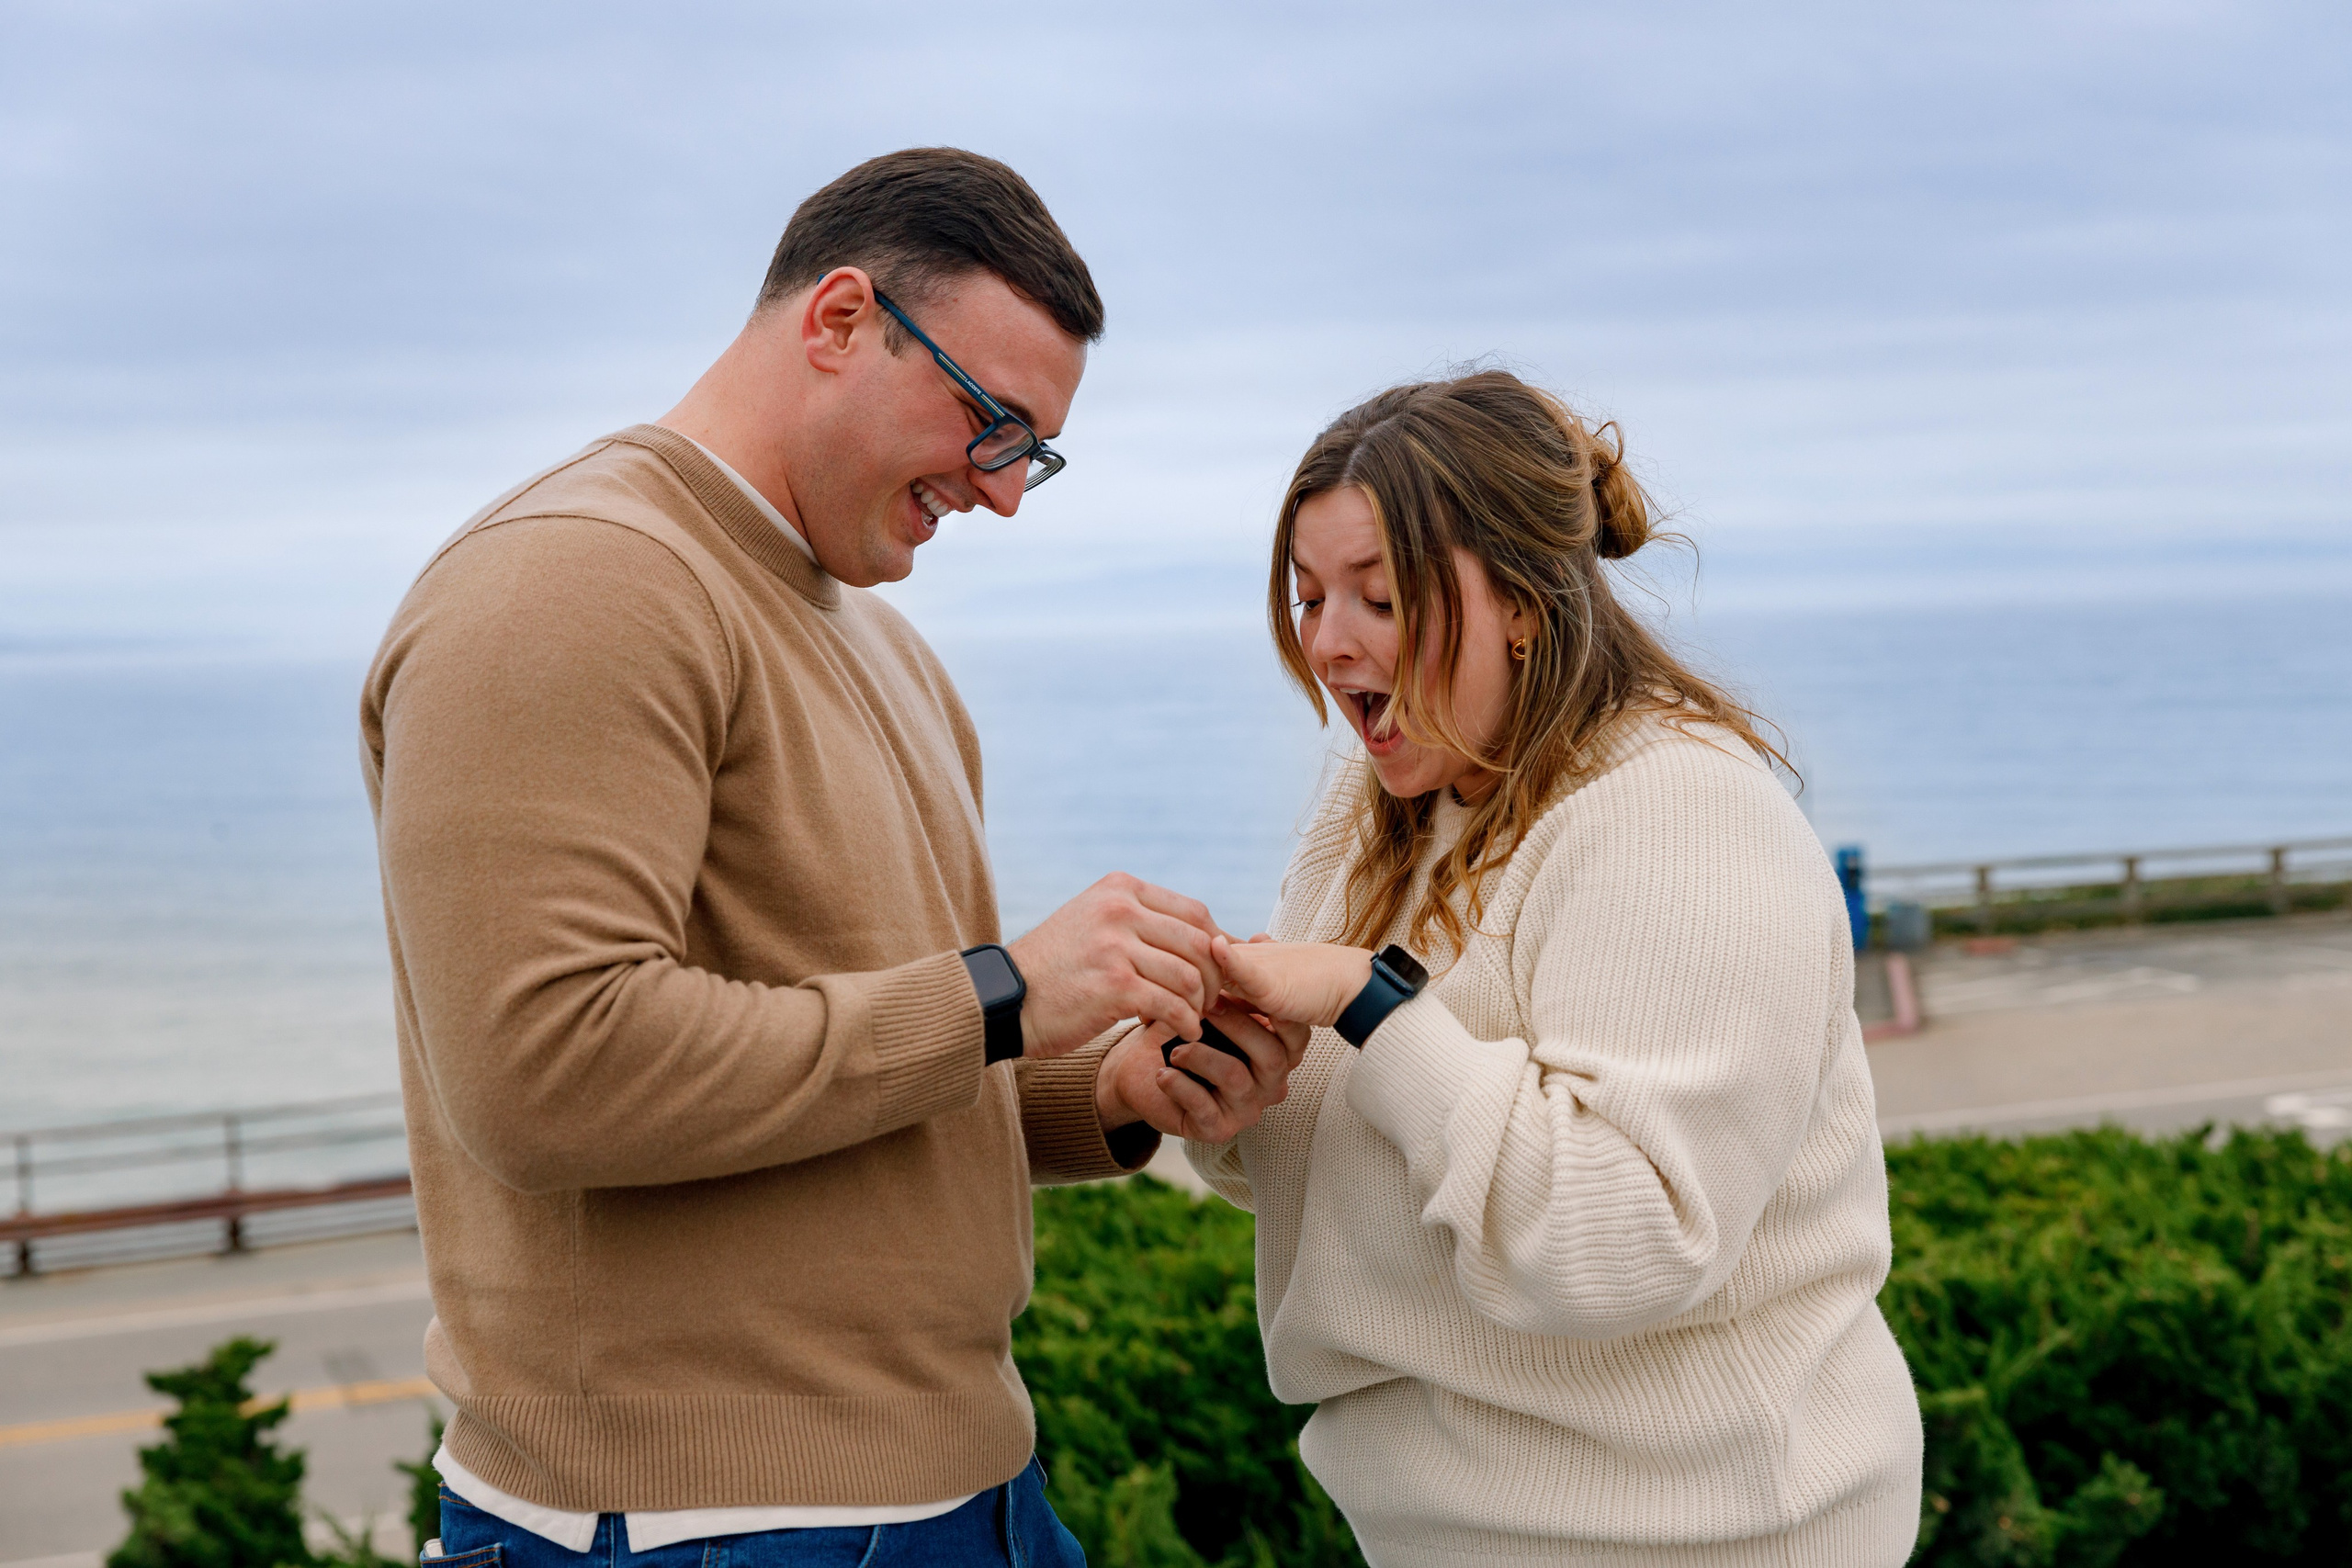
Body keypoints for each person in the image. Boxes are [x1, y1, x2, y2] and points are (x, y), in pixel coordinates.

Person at [360, 148, 1298, 1566]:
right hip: (702, 1527)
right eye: (991, 423)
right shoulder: (570, 582)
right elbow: (545, 1076)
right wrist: (1001, 993)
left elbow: (873, 1060)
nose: (1004, 496)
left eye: (1031, 449)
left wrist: (1105, 1088)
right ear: (841, 319)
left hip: (962, 1488)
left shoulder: (885, 644)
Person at [1186, 371, 1925, 1566]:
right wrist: (1227, 1094)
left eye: (1378, 596)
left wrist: (1371, 1005)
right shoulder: (1379, 817)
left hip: (1699, 1539)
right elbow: (1378, 1172)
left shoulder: (1680, 818)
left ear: (1523, 603)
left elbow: (1620, 1242)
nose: (1326, 643)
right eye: (1310, 596)